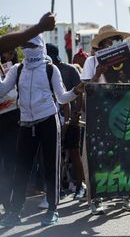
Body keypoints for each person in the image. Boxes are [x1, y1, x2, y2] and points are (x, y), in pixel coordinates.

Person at [0, 35, 85, 227]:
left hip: (48, 122)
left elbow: (62, 98)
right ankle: (14, 212)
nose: (26, 48)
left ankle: (52, 210)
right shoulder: (17, 68)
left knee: (51, 167)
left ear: (39, 46)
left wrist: (75, 92)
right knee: (21, 169)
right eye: (24, 45)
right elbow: (2, 89)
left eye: (30, 44)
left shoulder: (50, 68)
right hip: (25, 123)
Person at [81, 25, 130, 215]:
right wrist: (98, 74)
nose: (112, 44)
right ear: (101, 45)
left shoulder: (125, 60)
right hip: (100, 113)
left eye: (115, 40)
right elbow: (85, 88)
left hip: (122, 112)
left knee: (124, 154)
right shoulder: (91, 61)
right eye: (108, 42)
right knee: (98, 157)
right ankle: (96, 200)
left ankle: (126, 195)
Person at [46, 43, 86, 201]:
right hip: (53, 118)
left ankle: (79, 186)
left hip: (72, 118)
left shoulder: (70, 69)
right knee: (56, 155)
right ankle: (59, 189)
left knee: (74, 152)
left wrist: (76, 114)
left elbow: (80, 91)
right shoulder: (46, 70)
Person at [0, 49, 20, 220]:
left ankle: (10, 205)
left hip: (13, 119)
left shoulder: (15, 69)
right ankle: (6, 204)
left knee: (10, 165)